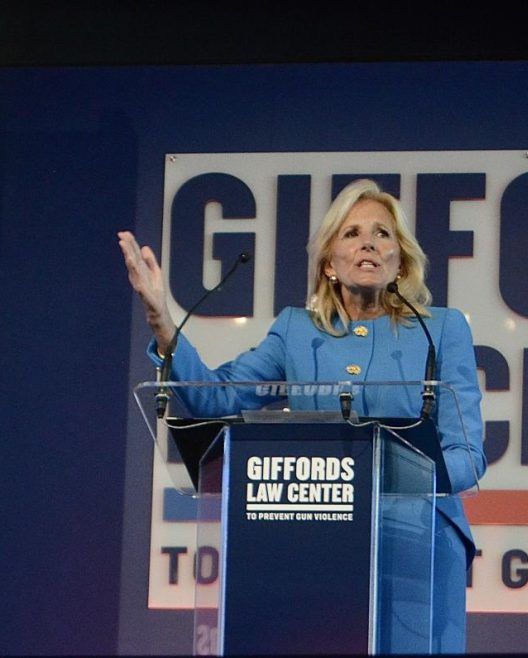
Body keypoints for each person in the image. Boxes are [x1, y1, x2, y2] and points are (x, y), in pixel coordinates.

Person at [118, 178, 487, 653]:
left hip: (420, 547)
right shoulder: (297, 331)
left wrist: (392, 477)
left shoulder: (442, 330)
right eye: (352, 234)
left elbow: (468, 455)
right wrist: (162, 322)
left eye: (382, 233)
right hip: (318, 542)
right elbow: (216, 399)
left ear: (401, 259)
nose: (368, 243)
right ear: (329, 262)